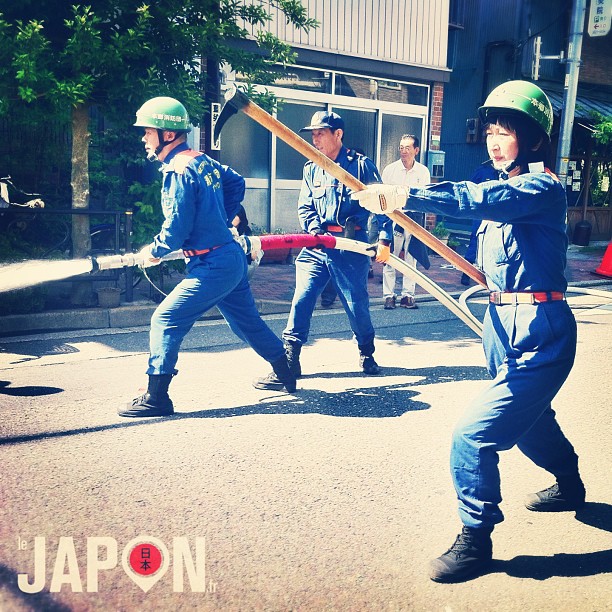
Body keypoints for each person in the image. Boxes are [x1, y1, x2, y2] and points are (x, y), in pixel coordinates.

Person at [354, 81, 585, 583]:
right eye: (491, 132)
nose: (496, 140)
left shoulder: (541, 188)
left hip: (542, 334)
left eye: (507, 131)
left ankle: (476, 540)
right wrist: (389, 219)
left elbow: (479, 197)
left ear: (533, 137)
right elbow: (480, 228)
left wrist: (408, 193)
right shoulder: (499, 186)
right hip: (500, 325)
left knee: (473, 436)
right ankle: (569, 483)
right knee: (530, 422)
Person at [121, 96, 296, 417]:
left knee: (166, 319)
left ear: (168, 135)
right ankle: (286, 371)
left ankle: (156, 397)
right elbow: (236, 183)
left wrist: (155, 251)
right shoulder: (200, 160)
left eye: (148, 131)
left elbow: (176, 226)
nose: (143, 137)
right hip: (228, 258)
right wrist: (222, 219)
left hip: (213, 265)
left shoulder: (178, 169)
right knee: (245, 324)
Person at [254, 110, 384, 388]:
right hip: (317, 245)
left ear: (338, 134)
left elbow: (381, 204)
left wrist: (383, 239)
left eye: (320, 133)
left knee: (356, 305)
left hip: (350, 246)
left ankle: (366, 350)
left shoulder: (361, 166)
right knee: (302, 298)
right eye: (312, 134)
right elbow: (305, 205)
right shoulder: (311, 167)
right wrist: (314, 229)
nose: (315, 139)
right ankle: (291, 355)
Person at [379, 135, 431, 309]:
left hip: (413, 219)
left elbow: (423, 198)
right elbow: (383, 197)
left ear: (416, 150)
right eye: (401, 147)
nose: (404, 151)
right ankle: (389, 295)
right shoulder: (390, 170)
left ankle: (408, 295)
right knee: (390, 257)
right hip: (393, 218)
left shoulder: (423, 172)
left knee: (412, 257)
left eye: (408, 148)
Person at [231, 203, 263, 280]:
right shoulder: (226, 230)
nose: (230, 218)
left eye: (234, 216)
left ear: (241, 217)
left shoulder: (246, 230)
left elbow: (253, 256)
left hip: (244, 263)